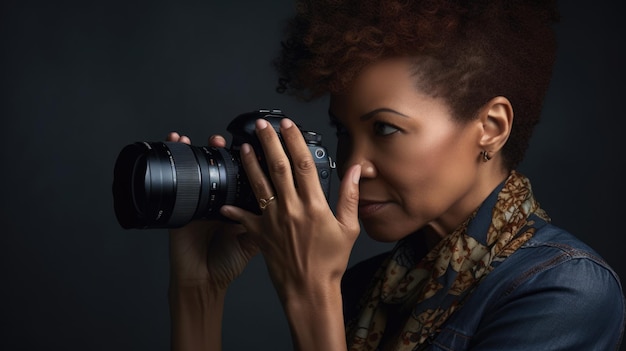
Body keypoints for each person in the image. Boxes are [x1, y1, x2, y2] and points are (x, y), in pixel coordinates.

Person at [166, 0, 625, 350]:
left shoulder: (566, 292)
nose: (352, 166)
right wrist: (199, 294)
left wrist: (311, 293)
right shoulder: (362, 288)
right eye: (343, 132)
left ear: (491, 128)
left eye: (386, 129)